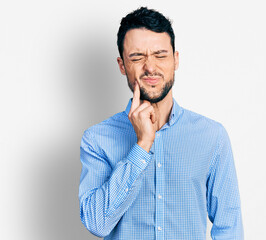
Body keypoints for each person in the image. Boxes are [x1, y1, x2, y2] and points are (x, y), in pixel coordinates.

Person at [79, 7, 243, 240]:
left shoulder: (212, 136)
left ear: (175, 60)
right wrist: (142, 145)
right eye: (137, 57)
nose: (150, 67)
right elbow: (97, 224)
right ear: (122, 65)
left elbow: (229, 228)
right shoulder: (97, 139)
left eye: (160, 55)